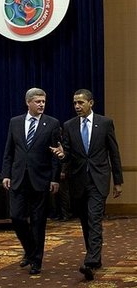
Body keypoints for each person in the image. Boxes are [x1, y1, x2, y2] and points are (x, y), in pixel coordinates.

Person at [50, 89, 123, 281]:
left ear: (91, 103)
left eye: (80, 103)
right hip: (78, 181)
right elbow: (67, 152)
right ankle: (95, 257)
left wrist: (118, 181)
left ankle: (90, 261)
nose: (77, 106)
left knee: (94, 219)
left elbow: (114, 153)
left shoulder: (105, 123)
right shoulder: (69, 125)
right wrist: (61, 154)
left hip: (98, 180)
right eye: (74, 103)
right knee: (84, 221)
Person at [2, 87, 61, 275]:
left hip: (40, 180)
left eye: (43, 101)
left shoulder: (52, 124)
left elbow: (55, 155)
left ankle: (36, 261)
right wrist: (6, 174)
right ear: (28, 103)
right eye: (38, 101)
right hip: (18, 178)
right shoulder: (15, 122)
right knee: (17, 217)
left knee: (38, 222)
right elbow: (9, 151)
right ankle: (30, 250)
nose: (42, 104)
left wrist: (54, 178)